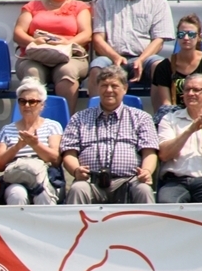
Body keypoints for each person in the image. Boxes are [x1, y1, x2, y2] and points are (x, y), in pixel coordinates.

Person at [61, 66, 159, 204]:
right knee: (78, 188)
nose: (109, 90)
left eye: (114, 86)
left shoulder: (141, 118)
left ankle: (149, 226)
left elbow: (149, 152)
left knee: (144, 190)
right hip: (91, 182)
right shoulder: (79, 118)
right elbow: (69, 153)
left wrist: (147, 171)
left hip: (129, 181)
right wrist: (76, 170)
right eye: (104, 85)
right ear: (98, 88)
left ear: (125, 88)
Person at [12, 0, 90, 114]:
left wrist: (68, 42)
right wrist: (33, 41)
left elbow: (86, 34)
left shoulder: (80, 7)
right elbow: (18, 33)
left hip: (69, 56)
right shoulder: (32, 6)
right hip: (35, 56)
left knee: (67, 73)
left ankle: (67, 125)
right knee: (33, 75)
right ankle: (33, 124)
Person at [87, 0, 174, 97]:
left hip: (145, 58)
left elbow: (159, 40)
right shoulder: (104, 1)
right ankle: (93, 114)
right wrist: (115, 57)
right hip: (111, 58)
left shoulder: (157, 0)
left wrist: (141, 60)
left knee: (160, 66)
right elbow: (98, 39)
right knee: (96, 67)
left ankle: (163, 113)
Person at [0, 77, 63, 205]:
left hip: (44, 176)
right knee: (17, 194)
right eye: (22, 101)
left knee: (43, 194)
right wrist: (16, 147)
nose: (26, 105)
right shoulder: (7, 130)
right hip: (17, 177)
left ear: (42, 105)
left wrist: (35, 144)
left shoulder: (53, 126)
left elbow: (56, 159)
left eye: (32, 102)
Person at [156, 74, 202, 203]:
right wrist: (189, 130)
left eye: (196, 90)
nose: (190, 93)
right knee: (168, 206)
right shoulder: (169, 119)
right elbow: (164, 155)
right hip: (175, 181)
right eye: (187, 90)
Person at [151, 14, 202, 125]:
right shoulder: (164, 66)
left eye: (191, 34)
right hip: (177, 116)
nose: (186, 38)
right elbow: (166, 104)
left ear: (199, 37)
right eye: (181, 34)